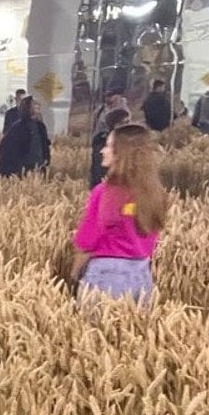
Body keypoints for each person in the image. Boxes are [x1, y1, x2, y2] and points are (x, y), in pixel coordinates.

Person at [72, 124, 168, 305]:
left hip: (106, 276)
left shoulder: (105, 193)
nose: (102, 151)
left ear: (121, 154)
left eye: (109, 146)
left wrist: (74, 273)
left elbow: (86, 241)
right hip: (141, 276)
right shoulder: (154, 194)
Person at [0, 97, 51, 178]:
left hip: (38, 168)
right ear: (28, 108)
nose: (38, 106)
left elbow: (45, 146)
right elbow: (4, 146)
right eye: (34, 104)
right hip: (22, 168)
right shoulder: (18, 127)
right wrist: (16, 163)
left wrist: (46, 160)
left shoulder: (40, 126)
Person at [89, 108, 131, 189]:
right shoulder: (101, 142)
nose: (127, 126)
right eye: (124, 123)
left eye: (128, 122)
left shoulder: (130, 142)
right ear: (114, 125)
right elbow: (98, 171)